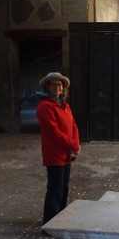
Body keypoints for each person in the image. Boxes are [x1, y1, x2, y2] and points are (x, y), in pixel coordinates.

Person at [36, 72, 80, 225]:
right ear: (47, 87)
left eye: (59, 85)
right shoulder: (45, 106)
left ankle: (61, 217)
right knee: (55, 188)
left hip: (66, 151)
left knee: (64, 187)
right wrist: (73, 145)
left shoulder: (64, 105)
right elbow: (53, 132)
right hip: (54, 152)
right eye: (54, 84)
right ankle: (50, 222)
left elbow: (73, 125)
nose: (57, 87)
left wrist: (75, 144)